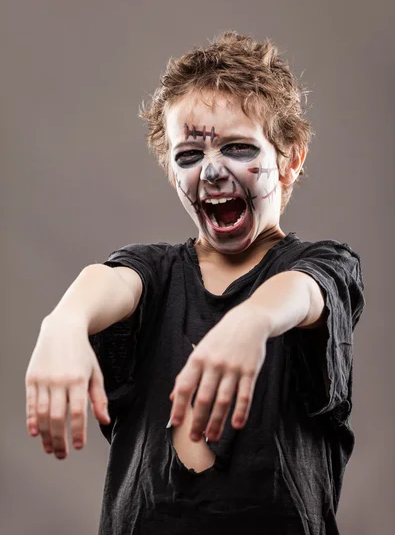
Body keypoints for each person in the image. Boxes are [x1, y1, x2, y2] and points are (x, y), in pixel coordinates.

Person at [25, 32, 365, 534]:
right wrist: (63, 323)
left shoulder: (321, 266)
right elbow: (108, 281)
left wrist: (251, 320)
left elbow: (305, 290)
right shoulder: (155, 274)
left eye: (237, 147)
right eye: (189, 155)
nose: (211, 171)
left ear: (291, 158)